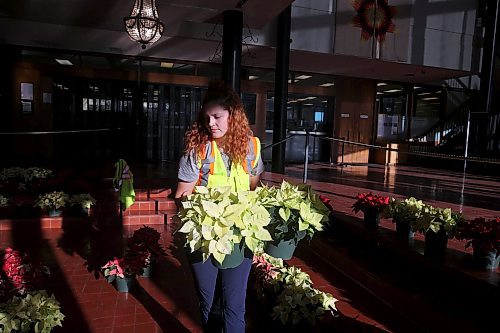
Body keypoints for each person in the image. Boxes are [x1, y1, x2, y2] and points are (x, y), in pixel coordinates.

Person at [175, 79, 263, 333]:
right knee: (210, 303)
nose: (210, 124)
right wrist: (207, 216)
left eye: (217, 117)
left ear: (233, 116)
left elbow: (252, 189)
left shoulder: (252, 148)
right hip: (204, 240)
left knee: (235, 305)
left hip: (240, 238)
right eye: (206, 118)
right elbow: (182, 196)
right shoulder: (198, 151)